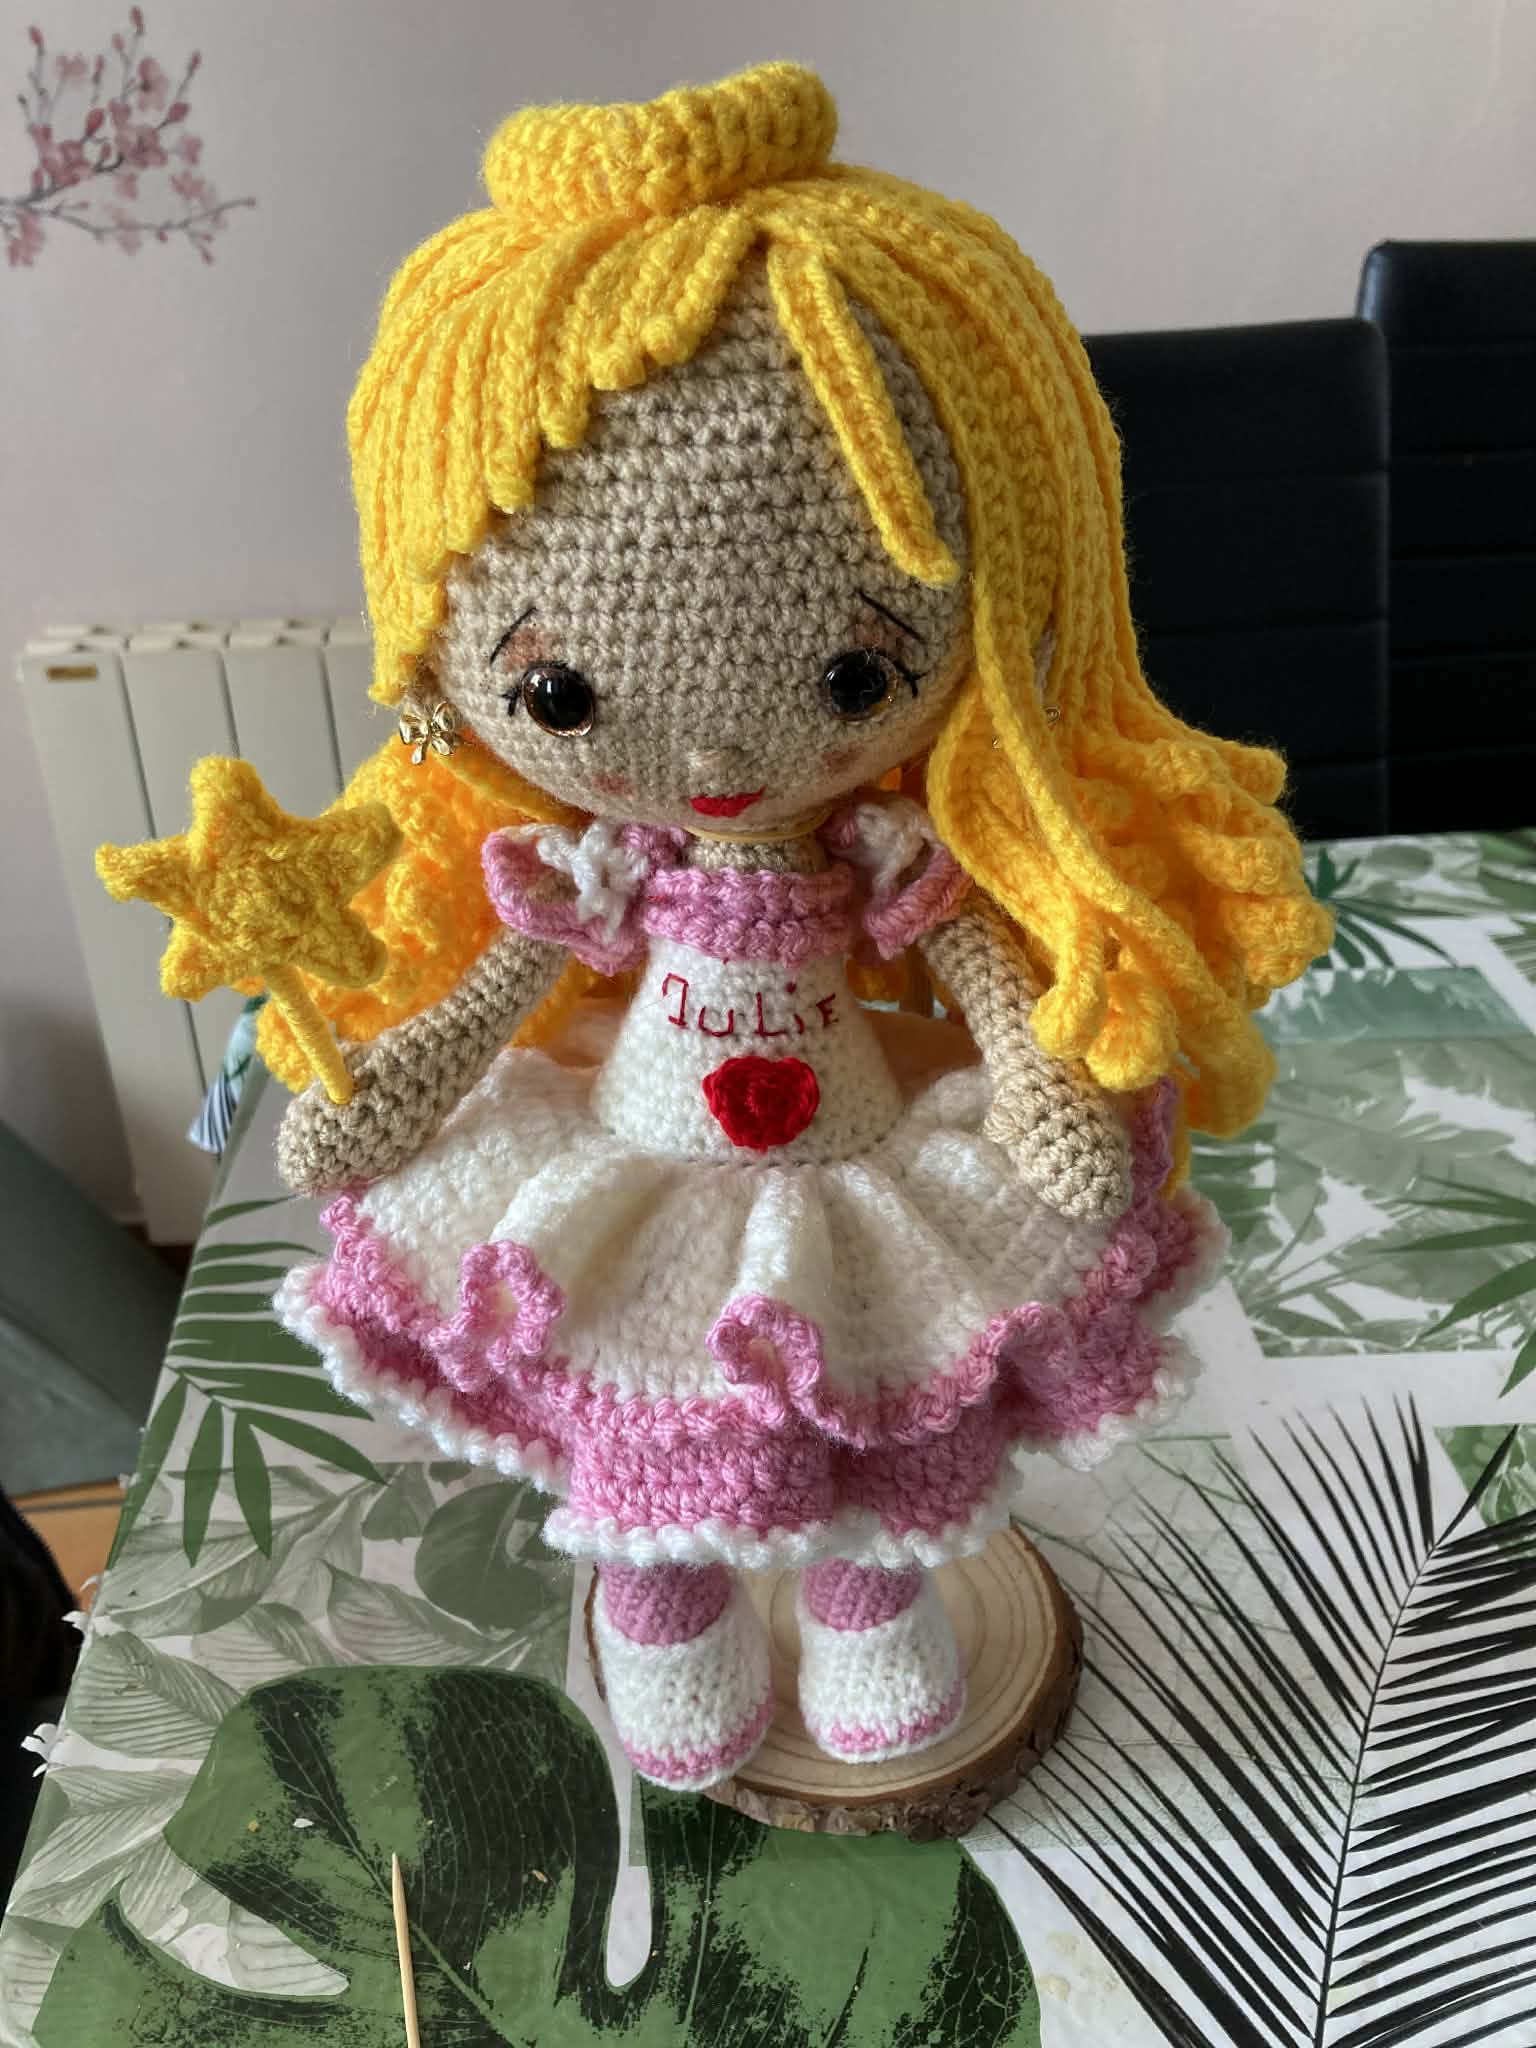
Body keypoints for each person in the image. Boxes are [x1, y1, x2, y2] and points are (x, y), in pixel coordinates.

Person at [266, 64, 1329, 1789]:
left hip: (852, 1158)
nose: (710, 765)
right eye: (558, 690)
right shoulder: (593, 873)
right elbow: (500, 988)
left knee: (872, 1403)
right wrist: (394, 1086)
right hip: (639, 1175)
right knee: (650, 1419)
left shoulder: (891, 851)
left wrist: (1041, 1088)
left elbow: (973, 957)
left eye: (855, 674)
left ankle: (865, 1604)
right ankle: (661, 1608)